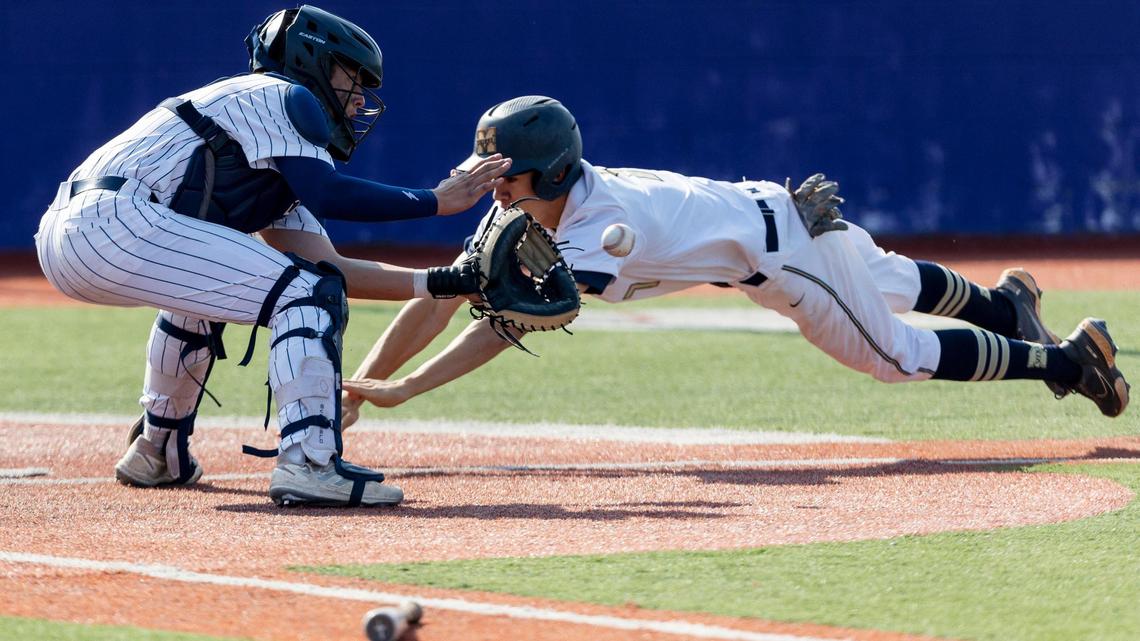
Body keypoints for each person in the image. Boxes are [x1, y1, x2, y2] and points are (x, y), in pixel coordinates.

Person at [341, 95, 1130, 426]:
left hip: (781, 254)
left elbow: (503, 322)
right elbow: (447, 295)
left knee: (898, 354)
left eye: (498, 171)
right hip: (770, 216)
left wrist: (405, 387)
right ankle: (1003, 305)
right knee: (886, 274)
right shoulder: (532, 203)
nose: (487, 183)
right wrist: (370, 380)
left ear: (543, 174)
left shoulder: (595, 230)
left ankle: (1062, 361)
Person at [33, 5, 504, 507]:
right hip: (116, 222)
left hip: (75, 228)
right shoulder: (280, 94)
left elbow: (335, 271)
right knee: (305, 294)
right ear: (313, 61)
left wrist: (451, 281)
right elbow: (333, 199)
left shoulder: (271, 152)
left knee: (248, 293)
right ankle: (310, 462)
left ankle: (157, 450)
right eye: (353, 76)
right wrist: (437, 201)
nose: (359, 98)